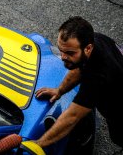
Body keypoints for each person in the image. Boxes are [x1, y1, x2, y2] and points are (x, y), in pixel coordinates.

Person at [34, 16, 123, 152]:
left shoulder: (98, 75)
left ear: (87, 48)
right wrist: (59, 91)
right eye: (61, 50)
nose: (63, 57)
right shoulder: (94, 40)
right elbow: (79, 68)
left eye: (69, 53)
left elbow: (72, 117)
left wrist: (38, 144)